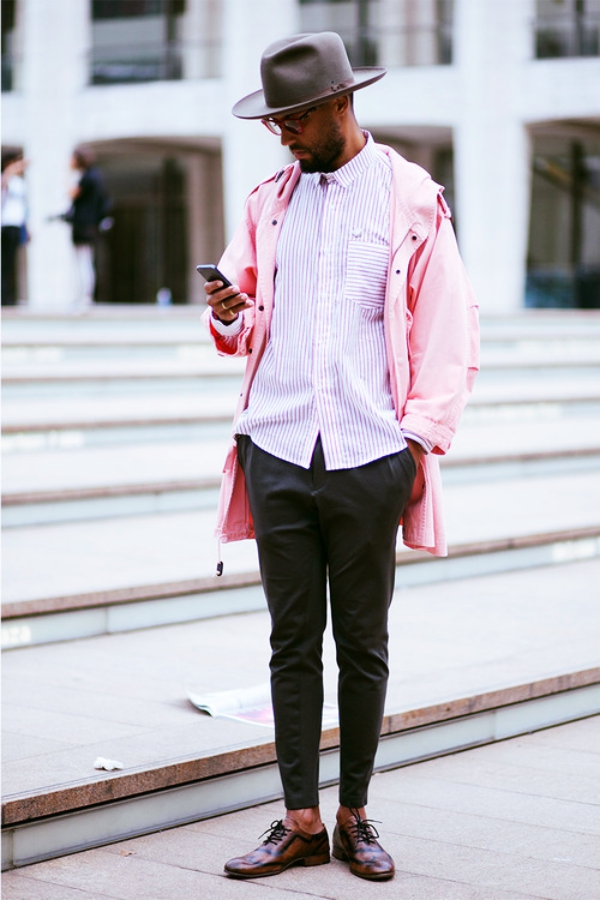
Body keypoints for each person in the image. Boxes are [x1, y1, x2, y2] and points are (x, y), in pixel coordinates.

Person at [203, 32, 479, 883]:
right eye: (273, 119)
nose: (281, 133)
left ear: (340, 105)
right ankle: (298, 821)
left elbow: (447, 327)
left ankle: (356, 813)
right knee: (292, 641)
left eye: (293, 118)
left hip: (369, 454)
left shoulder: (410, 198)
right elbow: (245, 326)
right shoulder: (268, 200)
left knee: (363, 642)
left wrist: (417, 440)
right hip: (277, 445)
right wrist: (226, 310)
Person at [67, 146, 109, 308]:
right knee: (85, 260)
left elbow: (71, 193)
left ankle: (85, 296)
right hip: (89, 224)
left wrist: (67, 173)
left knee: (83, 260)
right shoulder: (95, 176)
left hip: (83, 224)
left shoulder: (87, 178)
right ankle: (85, 295)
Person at [1, 152, 28, 307]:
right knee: (3, 263)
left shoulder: (21, 183)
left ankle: (8, 296)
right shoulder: (5, 178)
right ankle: (3, 296)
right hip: (5, 225)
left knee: (10, 263)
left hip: (17, 226)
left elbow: (23, 208)